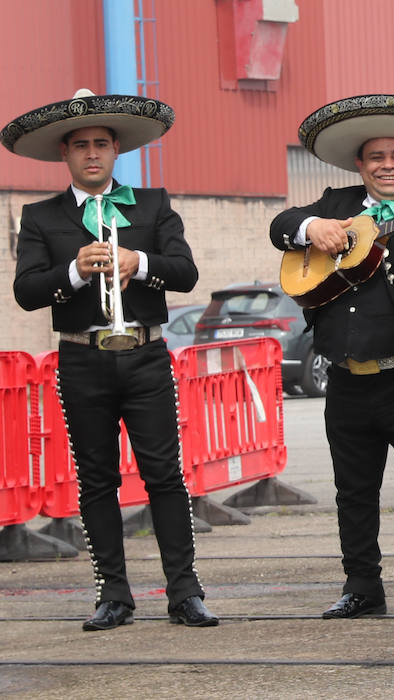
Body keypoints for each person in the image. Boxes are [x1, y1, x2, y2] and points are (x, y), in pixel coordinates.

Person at [6, 90, 218, 631]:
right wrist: (75, 270)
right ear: (65, 154)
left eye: (101, 143)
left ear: (117, 148)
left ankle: (185, 593)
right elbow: (27, 292)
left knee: (164, 475)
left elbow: (187, 273)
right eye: (81, 145)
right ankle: (114, 596)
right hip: (82, 358)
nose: (92, 153)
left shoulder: (153, 204)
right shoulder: (40, 216)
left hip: (146, 353)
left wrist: (139, 261)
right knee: (96, 479)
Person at [269, 93, 394, 620]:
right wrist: (310, 228)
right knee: (353, 491)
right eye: (377, 158)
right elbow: (281, 226)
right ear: (360, 165)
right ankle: (362, 585)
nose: (389, 166)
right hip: (346, 376)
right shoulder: (336, 204)